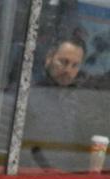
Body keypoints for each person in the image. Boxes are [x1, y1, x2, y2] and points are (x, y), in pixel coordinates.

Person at [22, 36, 91, 171]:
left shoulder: (78, 99)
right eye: (63, 62)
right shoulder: (25, 94)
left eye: (75, 65)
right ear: (49, 58)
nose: (68, 70)